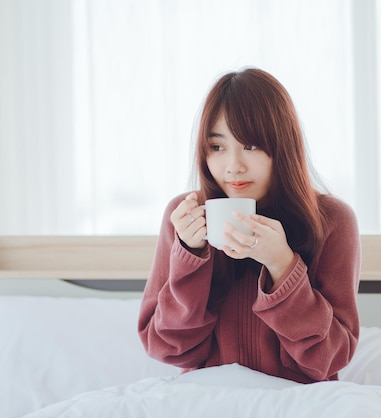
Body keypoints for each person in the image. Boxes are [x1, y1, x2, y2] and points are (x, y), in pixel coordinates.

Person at [138, 67, 361, 384]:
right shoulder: (184, 215)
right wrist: (189, 256)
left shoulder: (332, 220)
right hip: (205, 401)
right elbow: (167, 348)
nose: (233, 167)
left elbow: (328, 359)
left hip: (298, 405)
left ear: (282, 147)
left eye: (251, 145)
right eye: (217, 147)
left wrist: (282, 265)